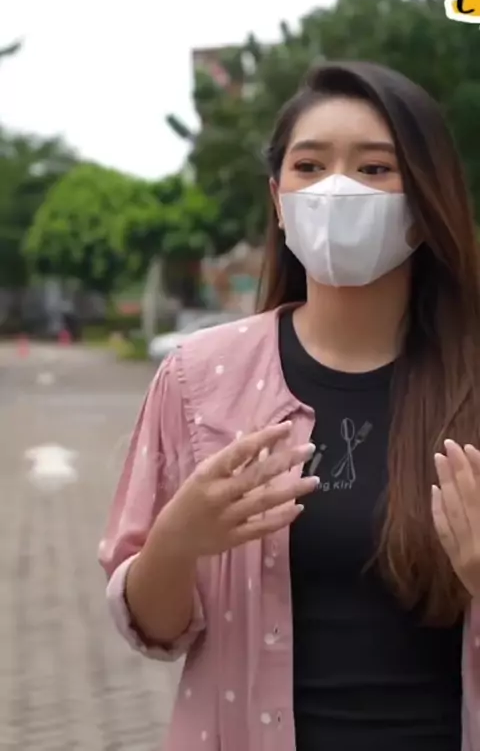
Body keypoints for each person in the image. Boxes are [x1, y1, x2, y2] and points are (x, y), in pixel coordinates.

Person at [98, 61, 480, 751]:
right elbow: (155, 628)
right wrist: (177, 541)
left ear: (426, 201)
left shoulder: (470, 383)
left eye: (374, 169)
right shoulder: (198, 379)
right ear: (278, 199)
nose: (337, 189)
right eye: (310, 166)